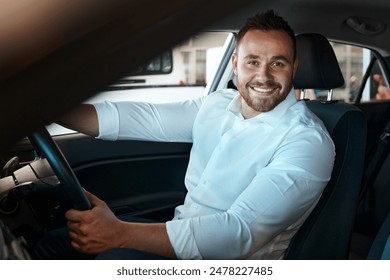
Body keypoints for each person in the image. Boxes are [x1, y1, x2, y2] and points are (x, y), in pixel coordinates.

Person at [33, 10, 335, 260]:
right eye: (252, 61)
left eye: (277, 63)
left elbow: (239, 233)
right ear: (234, 65)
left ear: (293, 68)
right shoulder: (217, 104)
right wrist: (42, 108)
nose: (264, 76)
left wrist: (120, 234)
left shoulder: (307, 142)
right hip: (181, 235)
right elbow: (137, 119)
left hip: (228, 263)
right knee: (56, 244)